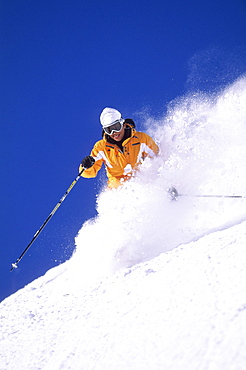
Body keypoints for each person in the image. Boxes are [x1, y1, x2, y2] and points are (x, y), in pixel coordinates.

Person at [79, 107, 159, 188]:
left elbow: (158, 157)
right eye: (109, 130)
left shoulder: (141, 139)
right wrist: (85, 166)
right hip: (118, 190)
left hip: (141, 183)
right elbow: (90, 173)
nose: (114, 133)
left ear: (123, 125)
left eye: (116, 127)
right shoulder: (101, 147)